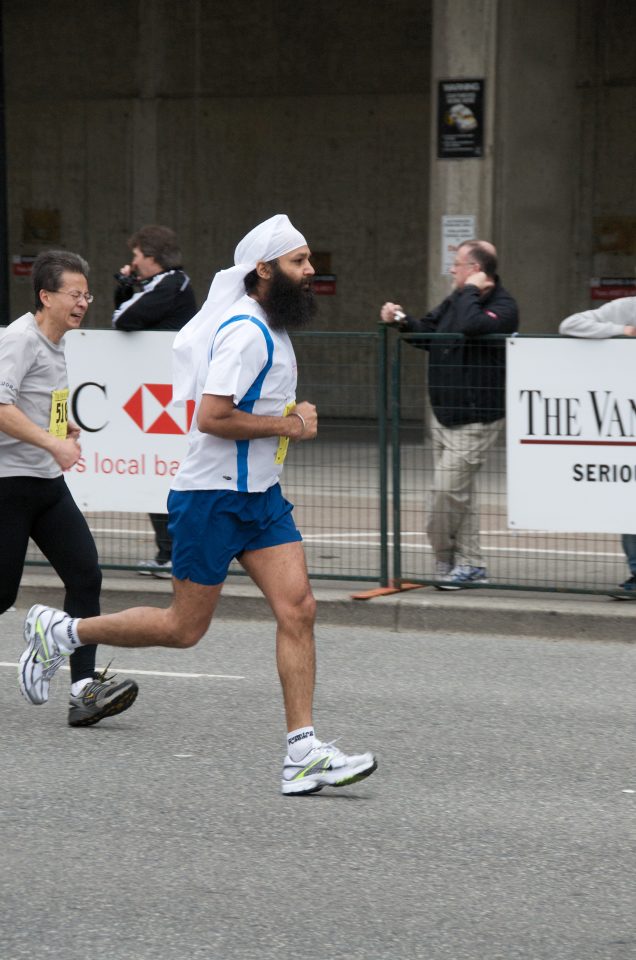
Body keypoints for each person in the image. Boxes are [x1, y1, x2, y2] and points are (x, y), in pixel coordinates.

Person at [19, 215, 378, 796]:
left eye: (309, 260)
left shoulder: (270, 324)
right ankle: (64, 633)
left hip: (260, 498)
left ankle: (302, 752)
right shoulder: (244, 331)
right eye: (299, 262)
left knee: (300, 608)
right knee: (184, 629)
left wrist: (284, 426)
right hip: (212, 498)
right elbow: (211, 417)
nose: (312, 271)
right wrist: (291, 424)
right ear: (263, 270)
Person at [1, 249, 138, 725]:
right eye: (74, 294)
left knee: (86, 577)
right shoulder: (19, 338)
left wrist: (63, 430)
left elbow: (35, 405)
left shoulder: (58, 342)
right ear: (46, 296)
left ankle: (83, 689)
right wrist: (51, 444)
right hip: (9, 486)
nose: (83, 303)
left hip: (46, 485)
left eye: (87, 294)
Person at [381, 240, 519, 589]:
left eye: (458, 264)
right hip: (443, 415)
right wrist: (400, 319)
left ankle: (444, 555)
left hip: (476, 420)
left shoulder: (503, 306)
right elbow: (428, 333)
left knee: (444, 492)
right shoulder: (455, 301)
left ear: (475, 270)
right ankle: (471, 564)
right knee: (460, 494)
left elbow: (473, 326)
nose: (452, 270)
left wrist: (470, 291)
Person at [113, 224, 198, 579]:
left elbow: (124, 319)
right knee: (156, 472)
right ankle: (168, 554)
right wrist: (126, 285)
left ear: (151, 257)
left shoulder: (172, 284)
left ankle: (172, 555)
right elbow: (125, 312)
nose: (132, 260)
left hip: (167, 392)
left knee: (167, 474)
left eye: (136, 255)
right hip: (156, 390)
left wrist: (128, 291)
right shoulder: (158, 285)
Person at [559, 297, 636, 599]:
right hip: (625, 419)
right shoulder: (626, 307)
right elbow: (570, 325)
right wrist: (624, 330)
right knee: (631, 501)